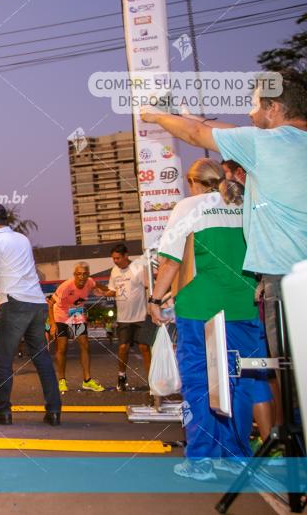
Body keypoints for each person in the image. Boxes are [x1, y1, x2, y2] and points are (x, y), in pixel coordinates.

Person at [141, 70, 307, 425]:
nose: (249, 114)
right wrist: (184, 112)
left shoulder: (267, 143)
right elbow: (211, 126)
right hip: (254, 295)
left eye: (253, 105)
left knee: (288, 376)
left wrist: (155, 116)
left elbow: (198, 134)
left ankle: (287, 451)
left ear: (274, 108)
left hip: (285, 283)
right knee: (264, 378)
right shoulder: (291, 146)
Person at [148, 158, 272, 480]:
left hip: (198, 308)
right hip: (243, 306)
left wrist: (155, 298)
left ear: (193, 181)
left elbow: (171, 261)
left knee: (200, 381)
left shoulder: (189, 206)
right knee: (240, 379)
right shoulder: (244, 204)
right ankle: (235, 456)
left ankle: (201, 459)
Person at [0, 204, 61, 426]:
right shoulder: (21, 239)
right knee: (42, 360)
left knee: (3, 362)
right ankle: (54, 411)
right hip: (37, 303)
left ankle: (2, 412)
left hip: (14, 303)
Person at [51, 263, 114, 392]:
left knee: (85, 344)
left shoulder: (90, 282)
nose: (82, 276)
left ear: (88, 275)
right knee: (62, 347)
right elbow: (50, 303)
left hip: (75, 313)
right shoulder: (65, 287)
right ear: (74, 275)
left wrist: (109, 291)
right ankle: (62, 380)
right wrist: (52, 324)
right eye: (79, 274)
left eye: (85, 274)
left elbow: (100, 286)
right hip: (61, 314)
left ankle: (87, 380)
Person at [107, 244, 154, 391]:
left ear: (126, 256)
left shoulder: (138, 268)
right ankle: (121, 376)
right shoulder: (114, 271)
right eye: (113, 258)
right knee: (122, 348)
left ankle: (151, 380)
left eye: (118, 258)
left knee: (144, 347)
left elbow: (149, 285)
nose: (115, 261)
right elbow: (112, 290)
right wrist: (101, 292)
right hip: (123, 318)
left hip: (141, 316)